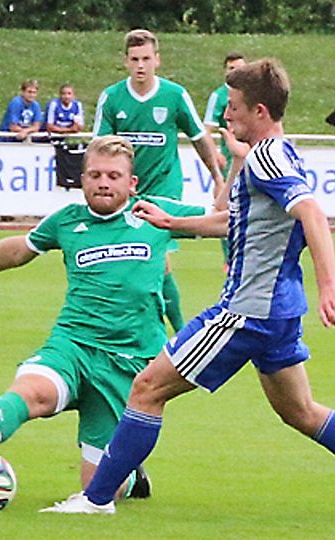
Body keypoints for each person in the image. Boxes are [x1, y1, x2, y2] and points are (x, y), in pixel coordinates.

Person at [41, 58, 335, 521]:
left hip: (245, 312)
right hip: (279, 312)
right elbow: (236, 221)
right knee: (303, 412)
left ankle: (95, 501)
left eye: (233, 107)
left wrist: (330, 284)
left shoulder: (267, 158)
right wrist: (173, 222)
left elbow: (311, 213)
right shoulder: (278, 153)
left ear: (258, 111)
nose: (227, 115)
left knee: (147, 388)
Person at [0, 136, 207, 500]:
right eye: (94, 174)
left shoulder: (158, 216)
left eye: (113, 176)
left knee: (97, 487)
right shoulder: (67, 221)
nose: (103, 182)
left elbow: (220, 217)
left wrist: (239, 167)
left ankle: (130, 478)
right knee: (33, 392)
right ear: (81, 180)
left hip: (126, 365)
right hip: (73, 345)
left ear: (132, 184)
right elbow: (21, 249)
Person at [93, 28, 225, 332]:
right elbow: (99, 148)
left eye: (146, 58)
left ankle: (182, 333)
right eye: (135, 59)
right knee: (134, 262)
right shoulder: (112, 98)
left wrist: (217, 176)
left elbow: (199, 137)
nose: (141, 65)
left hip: (164, 190)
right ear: (125, 62)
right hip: (126, 193)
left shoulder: (174, 95)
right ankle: (147, 326)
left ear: (157, 60)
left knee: (158, 259)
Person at [204, 50, 247, 270]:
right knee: (224, 208)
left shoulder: (252, 94)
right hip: (230, 163)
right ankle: (229, 259)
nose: (236, 72)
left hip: (249, 158)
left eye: (240, 67)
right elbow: (207, 128)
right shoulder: (219, 96)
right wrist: (215, 154)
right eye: (232, 68)